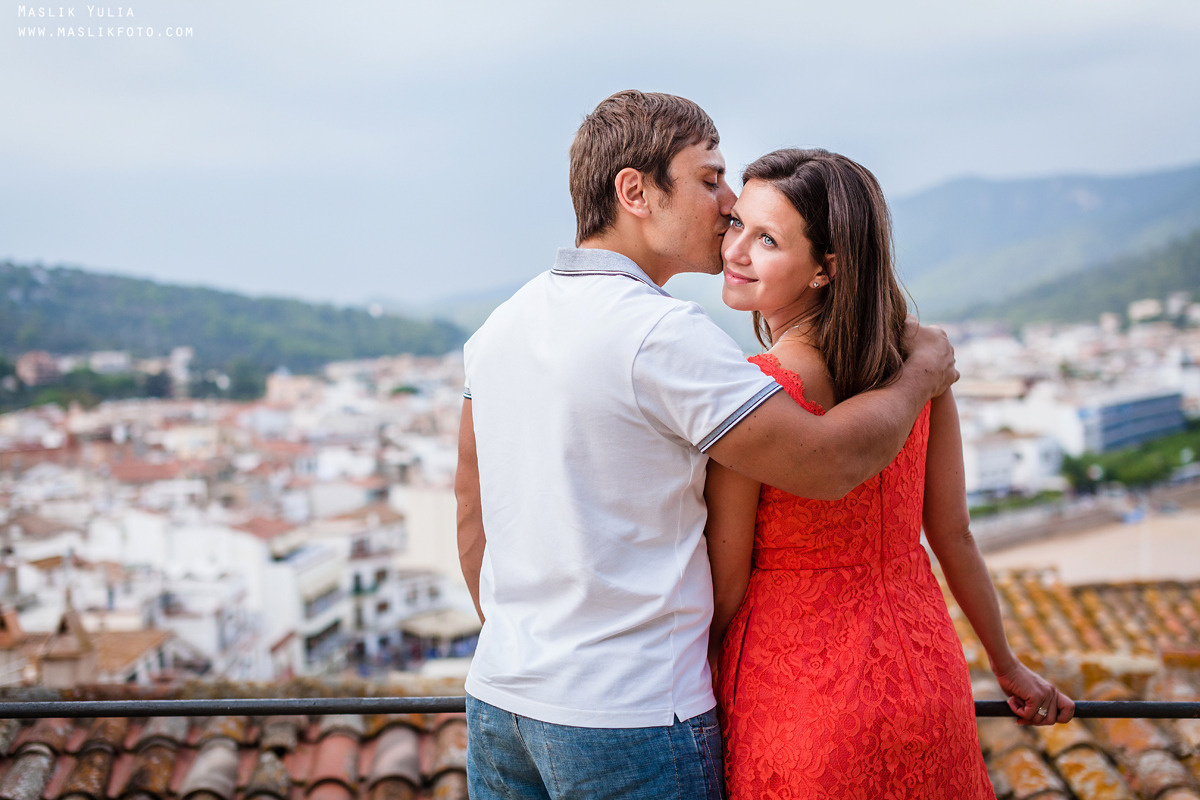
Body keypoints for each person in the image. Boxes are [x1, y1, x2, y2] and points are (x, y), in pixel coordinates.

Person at [455, 92, 959, 800]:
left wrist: (530, 646)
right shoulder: (661, 334)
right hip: (629, 715)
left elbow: (471, 512)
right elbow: (826, 463)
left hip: (502, 701)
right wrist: (918, 378)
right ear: (635, 191)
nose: (727, 203)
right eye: (708, 178)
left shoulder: (499, 329)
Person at [706, 148, 1075, 800]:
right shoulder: (920, 365)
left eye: (766, 239)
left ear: (826, 269)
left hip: (797, 694)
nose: (734, 249)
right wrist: (1005, 663)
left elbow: (727, 584)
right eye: (737, 224)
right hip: (926, 677)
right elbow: (953, 534)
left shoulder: (759, 392)